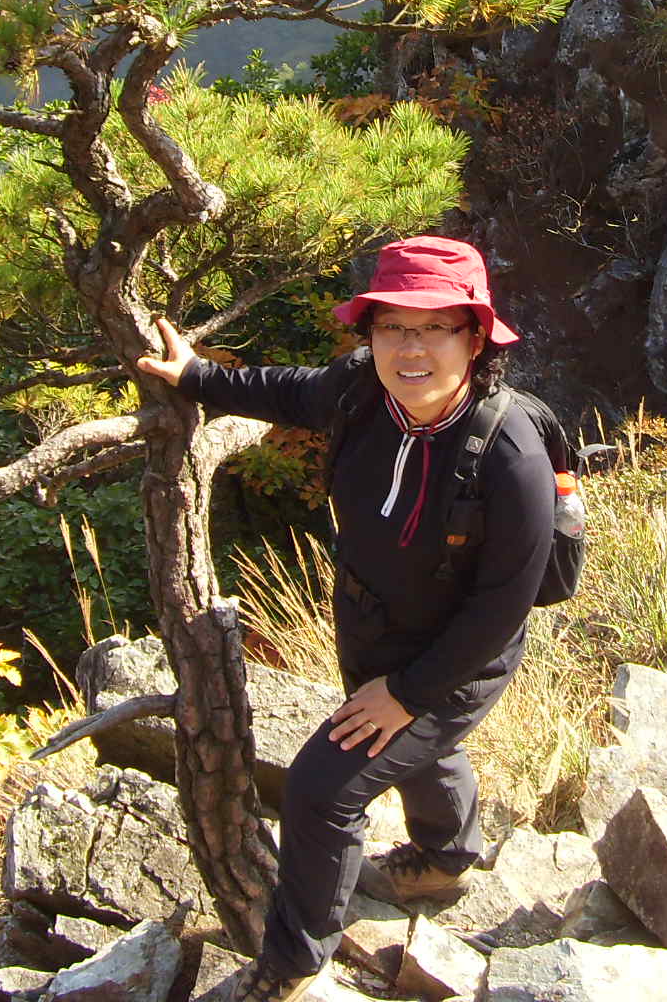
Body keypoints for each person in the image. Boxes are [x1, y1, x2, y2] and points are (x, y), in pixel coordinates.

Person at [136, 235, 554, 1002]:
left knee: (324, 787)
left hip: (454, 661)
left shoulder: (509, 455)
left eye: (435, 327)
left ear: (476, 336)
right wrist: (197, 377)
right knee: (420, 753)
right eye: (391, 326)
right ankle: (447, 859)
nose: (410, 347)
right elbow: (293, 392)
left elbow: (502, 605)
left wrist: (408, 692)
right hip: (368, 622)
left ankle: (294, 965)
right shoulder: (363, 391)